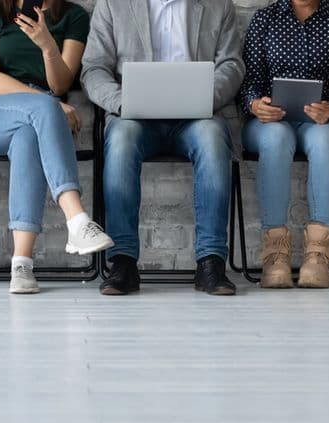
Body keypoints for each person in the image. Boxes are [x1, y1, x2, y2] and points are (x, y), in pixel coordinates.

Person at [81, 0, 245, 296]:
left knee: (213, 137)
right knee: (120, 140)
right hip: (135, 117)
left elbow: (232, 64)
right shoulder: (113, 5)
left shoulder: (217, 5)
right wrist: (123, 103)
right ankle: (123, 262)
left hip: (196, 117)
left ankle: (211, 262)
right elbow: (93, 68)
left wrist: (205, 98)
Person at [0, 0, 114, 294]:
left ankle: (21, 265)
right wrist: (45, 103)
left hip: (41, 118)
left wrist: (48, 45)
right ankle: (76, 218)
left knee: (27, 137)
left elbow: (60, 85)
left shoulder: (73, 16)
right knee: (43, 108)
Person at [239, 0, 329, 289]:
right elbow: (249, 80)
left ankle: (318, 255)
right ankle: (275, 254)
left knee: (326, 139)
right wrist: (255, 104)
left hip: (320, 122)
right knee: (277, 138)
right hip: (269, 123)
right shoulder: (264, 19)